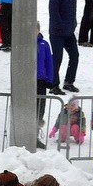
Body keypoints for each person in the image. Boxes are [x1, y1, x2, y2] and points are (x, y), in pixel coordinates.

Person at [48, 0, 80, 95]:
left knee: (74, 56)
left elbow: (72, 13)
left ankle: (69, 82)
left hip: (69, 32)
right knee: (57, 58)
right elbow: (54, 13)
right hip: (57, 33)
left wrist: (73, 25)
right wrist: (61, 26)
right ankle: (53, 85)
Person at [37, 21, 54, 149]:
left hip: (41, 81)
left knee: (40, 110)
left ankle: (35, 136)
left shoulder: (44, 44)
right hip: (28, 81)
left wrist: (50, 79)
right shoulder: (23, 43)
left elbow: (49, 62)